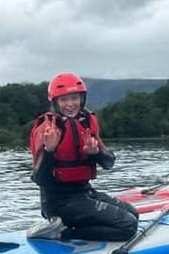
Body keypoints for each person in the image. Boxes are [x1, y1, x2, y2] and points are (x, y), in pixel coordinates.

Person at [28, 73, 138, 242]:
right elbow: (40, 179)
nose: (70, 104)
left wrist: (96, 153)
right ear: (55, 102)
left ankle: (72, 227)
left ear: (82, 99)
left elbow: (109, 162)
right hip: (59, 202)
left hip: (84, 192)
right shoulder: (46, 129)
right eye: (64, 100)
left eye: (74, 98)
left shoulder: (86, 122)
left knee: (134, 214)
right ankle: (60, 233)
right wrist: (49, 150)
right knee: (128, 226)